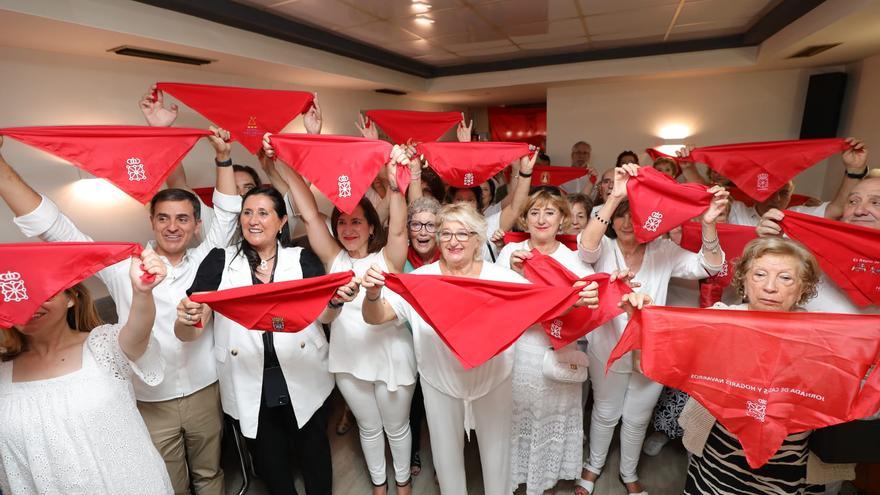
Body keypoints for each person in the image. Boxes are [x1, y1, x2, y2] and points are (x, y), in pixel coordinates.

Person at [0, 131, 239, 494]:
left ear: (196, 226)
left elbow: (227, 214)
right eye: (163, 218)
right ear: (151, 221)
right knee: (166, 482)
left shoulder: (209, 259)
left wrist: (223, 157)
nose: (172, 227)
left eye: (182, 219)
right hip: (149, 398)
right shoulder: (124, 266)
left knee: (210, 474)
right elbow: (56, 229)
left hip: (205, 388)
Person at [361, 202, 600, 495]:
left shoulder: (502, 279)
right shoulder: (420, 280)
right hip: (440, 383)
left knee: (497, 459)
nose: (453, 241)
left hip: (493, 381)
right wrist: (372, 296)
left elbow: (543, 305)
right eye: (446, 233)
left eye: (463, 233)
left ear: (477, 240)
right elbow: (376, 317)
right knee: (446, 461)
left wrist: (576, 299)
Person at [175, 185, 359, 495]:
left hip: (302, 372)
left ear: (282, 221)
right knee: (271, 464)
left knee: (314, 455)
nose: (253, 220)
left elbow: (324, 316)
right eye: (247, 212)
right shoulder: (219, 261)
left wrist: (336, 301)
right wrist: (185, 319)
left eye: (263, 213)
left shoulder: (302, 259)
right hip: (247, 379)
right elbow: (192, 329)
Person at [265, 135, 416, 494]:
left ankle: (404, 484)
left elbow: (398, 227)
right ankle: (379, 486)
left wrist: (397, 185)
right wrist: (285, 160)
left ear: (371, 226)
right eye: (342, 222)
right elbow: (308, 212)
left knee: (397, 428)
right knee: (369, 428)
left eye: (356, 222)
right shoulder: (334, 260)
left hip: (393, 357)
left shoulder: (388, 258)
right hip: (349, 359)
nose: (348, 229)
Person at [575, 163, 728, 495]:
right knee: (605, 412)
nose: (626, 223)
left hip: (652, 350)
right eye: (621, 216)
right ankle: (593, 466)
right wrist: (615, 197)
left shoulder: (663, 250)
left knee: (637, 417)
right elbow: (585, 248)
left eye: (634, 216)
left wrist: (709, 223)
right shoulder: (604, 248)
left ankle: (628, 473)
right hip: (607, 346)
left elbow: (709, 266)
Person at [0, 248, 173, 494]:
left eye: (43, 293)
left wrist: (142, 292)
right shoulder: (3, 371)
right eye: (20, 295)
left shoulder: (103, 346)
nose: (30, 305)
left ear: (71, 298)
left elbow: (138, 334)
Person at [678, 237, 826, 494]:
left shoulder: (822, 335)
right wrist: (642, 317)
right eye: (759, 274)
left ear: (802, 288)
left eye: (785, 278)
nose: (770, 287)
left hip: (786, 455)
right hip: (721, 447)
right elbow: (668, 352)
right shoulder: (720, 320)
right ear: (744, 281)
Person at [495, 188, 593, 494]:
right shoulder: (510, 254)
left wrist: (580, 300)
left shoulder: (572, 259)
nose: (541, 219)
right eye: (534, 212)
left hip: (556, 350)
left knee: (551, 416)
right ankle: (514, 479)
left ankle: (545, 481)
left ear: (562, 219)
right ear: (524, 219)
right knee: (516, 415)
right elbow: (495, 302)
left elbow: (589, 305)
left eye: (550, 212)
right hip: (519, 348)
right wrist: (512, 272)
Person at [402, 196, 442, 476]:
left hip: (440, 345)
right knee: (412, 404)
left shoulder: (449, 257)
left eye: (430, 225)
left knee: (440, 409)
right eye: (416, 225)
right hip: (406, 344)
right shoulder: (398, 259)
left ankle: (443, 461)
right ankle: (413, 450)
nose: (423, 231)